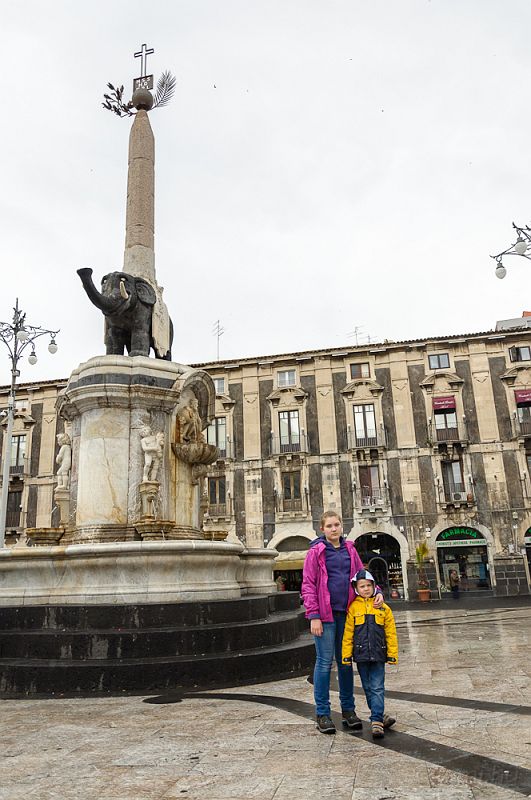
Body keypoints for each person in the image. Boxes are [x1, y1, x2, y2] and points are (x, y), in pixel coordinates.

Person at [301, 510, 384, 734]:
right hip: (325, 617)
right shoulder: (316, 552)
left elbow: (362, 577)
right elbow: (308, 585)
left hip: (347, 616)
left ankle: (348, 711)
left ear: (341, 526)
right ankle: (323, 714)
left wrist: (377, 591)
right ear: (322, 529)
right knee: (324, 663)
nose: (334, 529)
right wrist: (313, 615)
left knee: (345, 662)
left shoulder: (350, 549)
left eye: (336, 525)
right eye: (329, 526)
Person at [342, 569, 398, 739]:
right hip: (361, 656)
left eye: (368, 585)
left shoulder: (383, 608)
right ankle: (379, 715)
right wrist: (346, 655)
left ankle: (376, 721)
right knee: (368, 688)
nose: (366, 589)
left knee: (377, 687)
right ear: (356, 589)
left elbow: (391, 633)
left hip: (379, 655)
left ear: (374, 586)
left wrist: (392, 653)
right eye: (362, 586)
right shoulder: (353, 608)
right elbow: (348, 634)